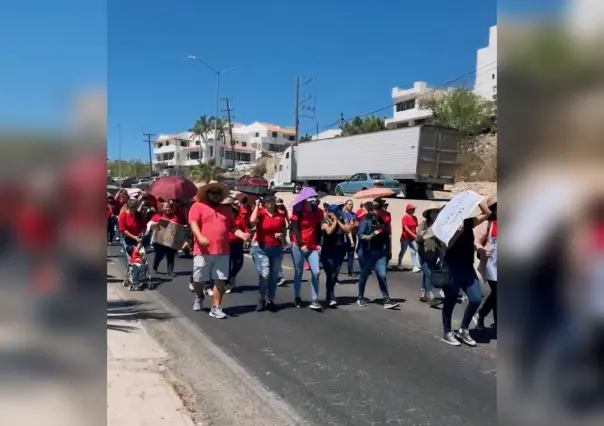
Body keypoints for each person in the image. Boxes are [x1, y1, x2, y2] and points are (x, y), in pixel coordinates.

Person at [188, 181, 250, 319]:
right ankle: (199, 295)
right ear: (207, 194)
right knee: (198, 279)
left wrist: (243, 235)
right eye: (213, 193)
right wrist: (200, 237)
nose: (216, 196)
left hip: (222, 251)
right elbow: (193, 224)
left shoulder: (226, 210)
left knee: (220, 280)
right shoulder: (198, 206)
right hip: (203, 251)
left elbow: (233, 227)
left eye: (218, 193)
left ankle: (216, 307)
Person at [439, 198, 492, 346]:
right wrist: (457, 233)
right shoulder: (444, 227)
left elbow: (487, 212)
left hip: (467, 267)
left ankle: (463, 329)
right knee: (450, 300)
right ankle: (447, 331)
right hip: (452, 268)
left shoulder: (468, 222)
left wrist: (477, 199)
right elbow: (446, 247)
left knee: (475, 298)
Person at [356, 201, 399, 309]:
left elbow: (386, 237)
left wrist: (389, 251)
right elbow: (360, 235)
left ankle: (386, 299)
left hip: (380, 253)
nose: (378, 210)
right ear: (371, 211)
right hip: (367, 253)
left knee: (382, 275)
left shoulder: (381, 222)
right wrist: (367, 237)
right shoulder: (365, 221)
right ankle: (360, 297)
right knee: (364, 275)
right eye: (375, 209)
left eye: (378, 208)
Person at [249, 195, 288, 311]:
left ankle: (270, 298)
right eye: (267, 201)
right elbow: (252, 221)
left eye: (272, 201)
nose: (270, 203)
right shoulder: (260, 213)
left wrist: (283, 238)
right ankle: (262, 298)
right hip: (262, 248)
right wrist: (256, 205)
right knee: (265, 274)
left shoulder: (280, 215)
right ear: (264, 203)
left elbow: (283, 229)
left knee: (274, 275)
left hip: (276, 248)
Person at [290, 196, 323, 309]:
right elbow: (294, 228)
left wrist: (319, 243)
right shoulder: (298, 210)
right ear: (304, 200)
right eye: (310, 199)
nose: (312, 201)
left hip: (312, 245)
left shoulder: (315, 210)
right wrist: (301, 244)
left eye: (313, 199)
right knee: (299, 272)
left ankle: (314, 299)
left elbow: (319, 225)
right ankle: (297, 296)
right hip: (298, 245)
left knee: (316, 272)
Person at [321, 203, 353, 307]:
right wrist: (334, 221)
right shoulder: (325, 221)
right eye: (334, 212)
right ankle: (331, 296)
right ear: (329, 212)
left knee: (335, 274)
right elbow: (329, 231)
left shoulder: (341, 220)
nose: (336, 213)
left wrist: (338, 220)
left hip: (339, 251)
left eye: (337, 212)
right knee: (330, 274)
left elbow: (347, 230)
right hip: (328, 252)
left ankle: (329, 294)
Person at [474, 196, 497, 331]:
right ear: (493, 209)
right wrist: (482, 250)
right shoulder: (487, 224)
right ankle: (483, 315)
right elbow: (476, 241)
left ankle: (483, 315)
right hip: (491, 264)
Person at [415, 203, 445, 305]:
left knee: (426, 274)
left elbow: (441, 241)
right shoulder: (423, 225)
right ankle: (431, 297)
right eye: (433, 212)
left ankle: (422, 294)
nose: (435, 214)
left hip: (434, 254)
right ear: (429, 214)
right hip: (423, 253)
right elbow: (418, 239)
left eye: (437, 212)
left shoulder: (439, 226)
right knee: (429, 274)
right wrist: (423, 235)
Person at [148, 202, 180, 277]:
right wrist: (156, 224)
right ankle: (155, 266)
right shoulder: (157, 216)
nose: (168, 209)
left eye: (169, 207)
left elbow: (177, 227)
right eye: (166, 207)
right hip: (159, 240)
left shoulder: (174, 217)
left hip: (170, 240)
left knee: (171, 255)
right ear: (162, 208)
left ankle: (170, 271)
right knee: (159, 255)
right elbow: (150, 225)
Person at [224, 196, 247, 294]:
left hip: (238, 243)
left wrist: (246, 236)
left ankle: (231, 277)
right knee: (227, 264)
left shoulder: (239, 217)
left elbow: (244, 229)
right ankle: (228, 282)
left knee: (238, 263)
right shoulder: (223, 217)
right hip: (226, 243)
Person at [398, 203, 421, 272]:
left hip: (412, 238)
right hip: (405, 237)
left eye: (414, 209)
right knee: (403, 250)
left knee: (414, 251)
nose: (414, 210)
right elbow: (406, 228)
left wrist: (417, 234)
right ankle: (399, 263)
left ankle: (415, 266)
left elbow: (416, 227)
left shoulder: (415, 218)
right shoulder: (405, 218)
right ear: (408, 210)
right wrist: (413, 235)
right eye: (412, 209)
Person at [340, 199, 358, 277]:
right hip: (345, 236)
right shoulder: (343, 214)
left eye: (351, 204)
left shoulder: (354, 215)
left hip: (353, 235)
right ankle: (335, 269)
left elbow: (356, 224)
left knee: (351, 254)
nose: (351, 206)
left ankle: (350, 270)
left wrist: (355, 225)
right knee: (342, 254)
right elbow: (346, 227)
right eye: (349, 204)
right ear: (346, 205)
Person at [275, 198, 289, 286]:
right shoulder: (274, 209)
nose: (279, 205)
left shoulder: (284, 209)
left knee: (277, 257)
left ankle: (279, 276)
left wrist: (289, 224)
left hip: (282, 227)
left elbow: (287, 217)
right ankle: (277, 276)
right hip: (276, 229)